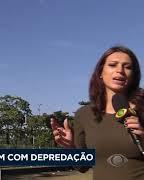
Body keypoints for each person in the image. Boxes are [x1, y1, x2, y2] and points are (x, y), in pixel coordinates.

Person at [51, 45, 144, 180]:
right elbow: (82, 167)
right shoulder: (84, 114)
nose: (120, 70)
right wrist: (71, 148)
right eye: (113, 65)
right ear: (100, 72)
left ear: (134, 75)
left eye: (127, 67)